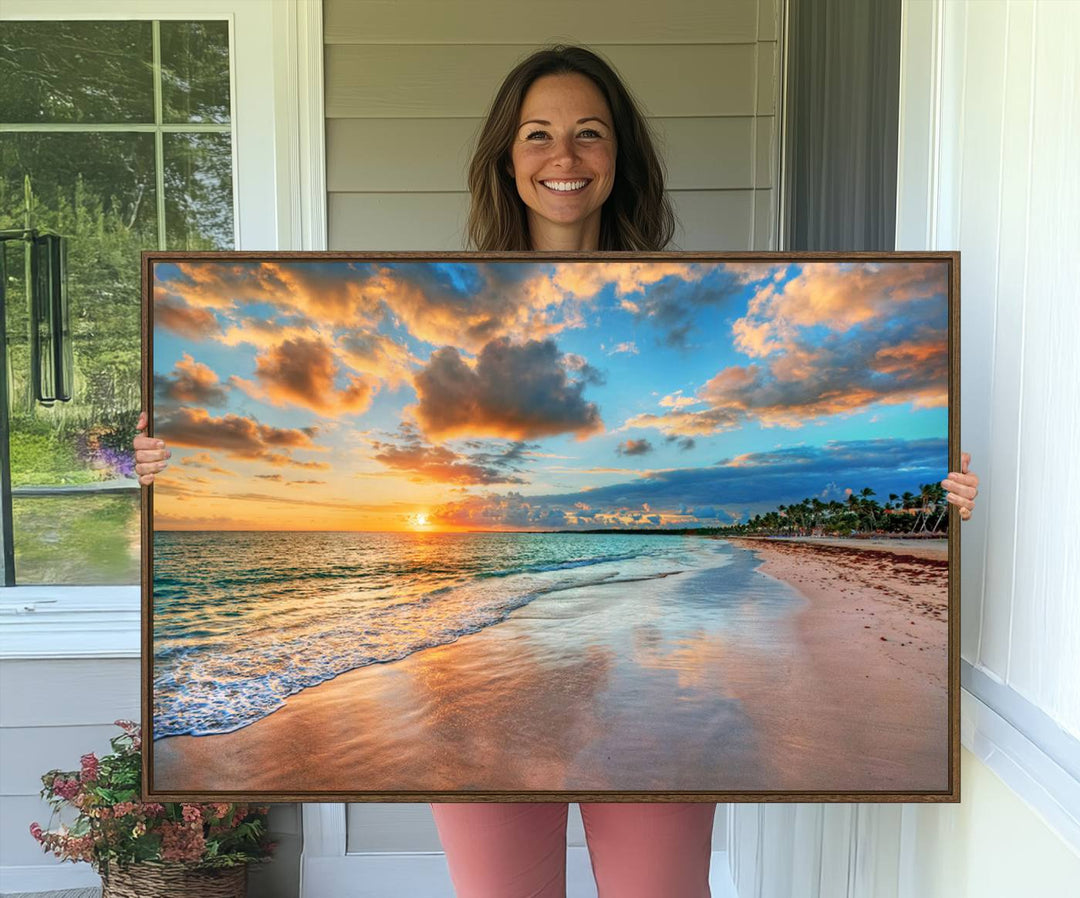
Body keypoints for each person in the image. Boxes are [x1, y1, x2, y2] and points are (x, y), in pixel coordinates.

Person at [134, 45, 980, 898]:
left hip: (653, 702)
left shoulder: (690, 291)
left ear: (620, 157)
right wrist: (172, 457)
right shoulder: (442, 300)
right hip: (481, 699)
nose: (564, 157)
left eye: (589, 134)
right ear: (508, 157)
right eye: (538, 134)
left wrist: (942, 496)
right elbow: (316, 422)